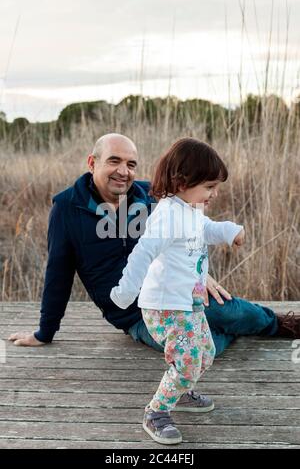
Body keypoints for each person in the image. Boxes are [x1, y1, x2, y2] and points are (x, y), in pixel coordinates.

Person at [8, 134, 299, 356]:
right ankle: (229, 333)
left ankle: (282, 324)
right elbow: (58, 273)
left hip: (176, 293)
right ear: (92, 162)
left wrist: (200, 273)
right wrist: (45, 332)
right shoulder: (67, 207)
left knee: (233, 312)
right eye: (114, 161)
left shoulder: (150, 195)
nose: (124, 171)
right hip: (134, 315)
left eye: (131, 164)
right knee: (195, 350)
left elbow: (188, 230)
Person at [110, 137, 245, 444]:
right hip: (165, 307)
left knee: (206, 353)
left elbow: (206, 228)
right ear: (183, 181)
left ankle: (180, 391)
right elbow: (142, 253)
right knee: (186, 362)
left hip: (190, 303)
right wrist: (125, 292)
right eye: (209, 186)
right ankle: (156, 412)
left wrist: (229, 231)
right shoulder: (168, 215)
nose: (214, 193)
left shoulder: (190, 210)